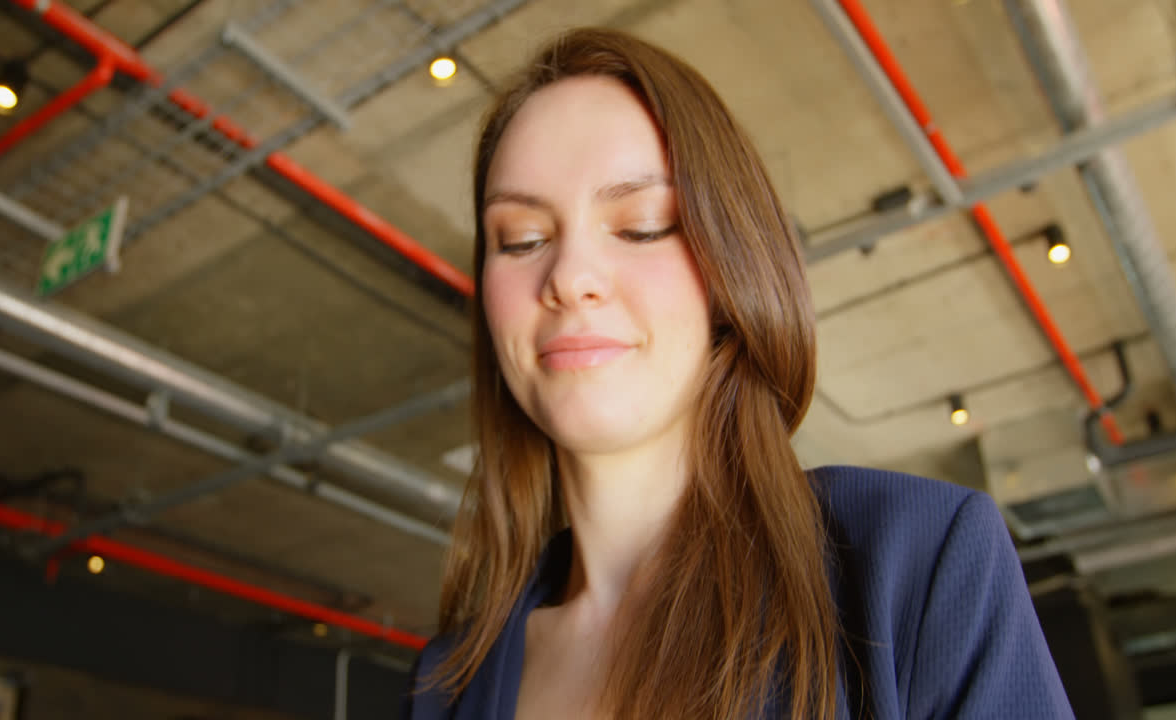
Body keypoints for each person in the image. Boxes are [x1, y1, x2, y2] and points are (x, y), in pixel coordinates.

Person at [402, 27, 1073, 720]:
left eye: (641, 226)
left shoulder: (916, 567)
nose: (568, 278)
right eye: (523, 239)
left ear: (731, 267)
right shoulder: (443, 687)